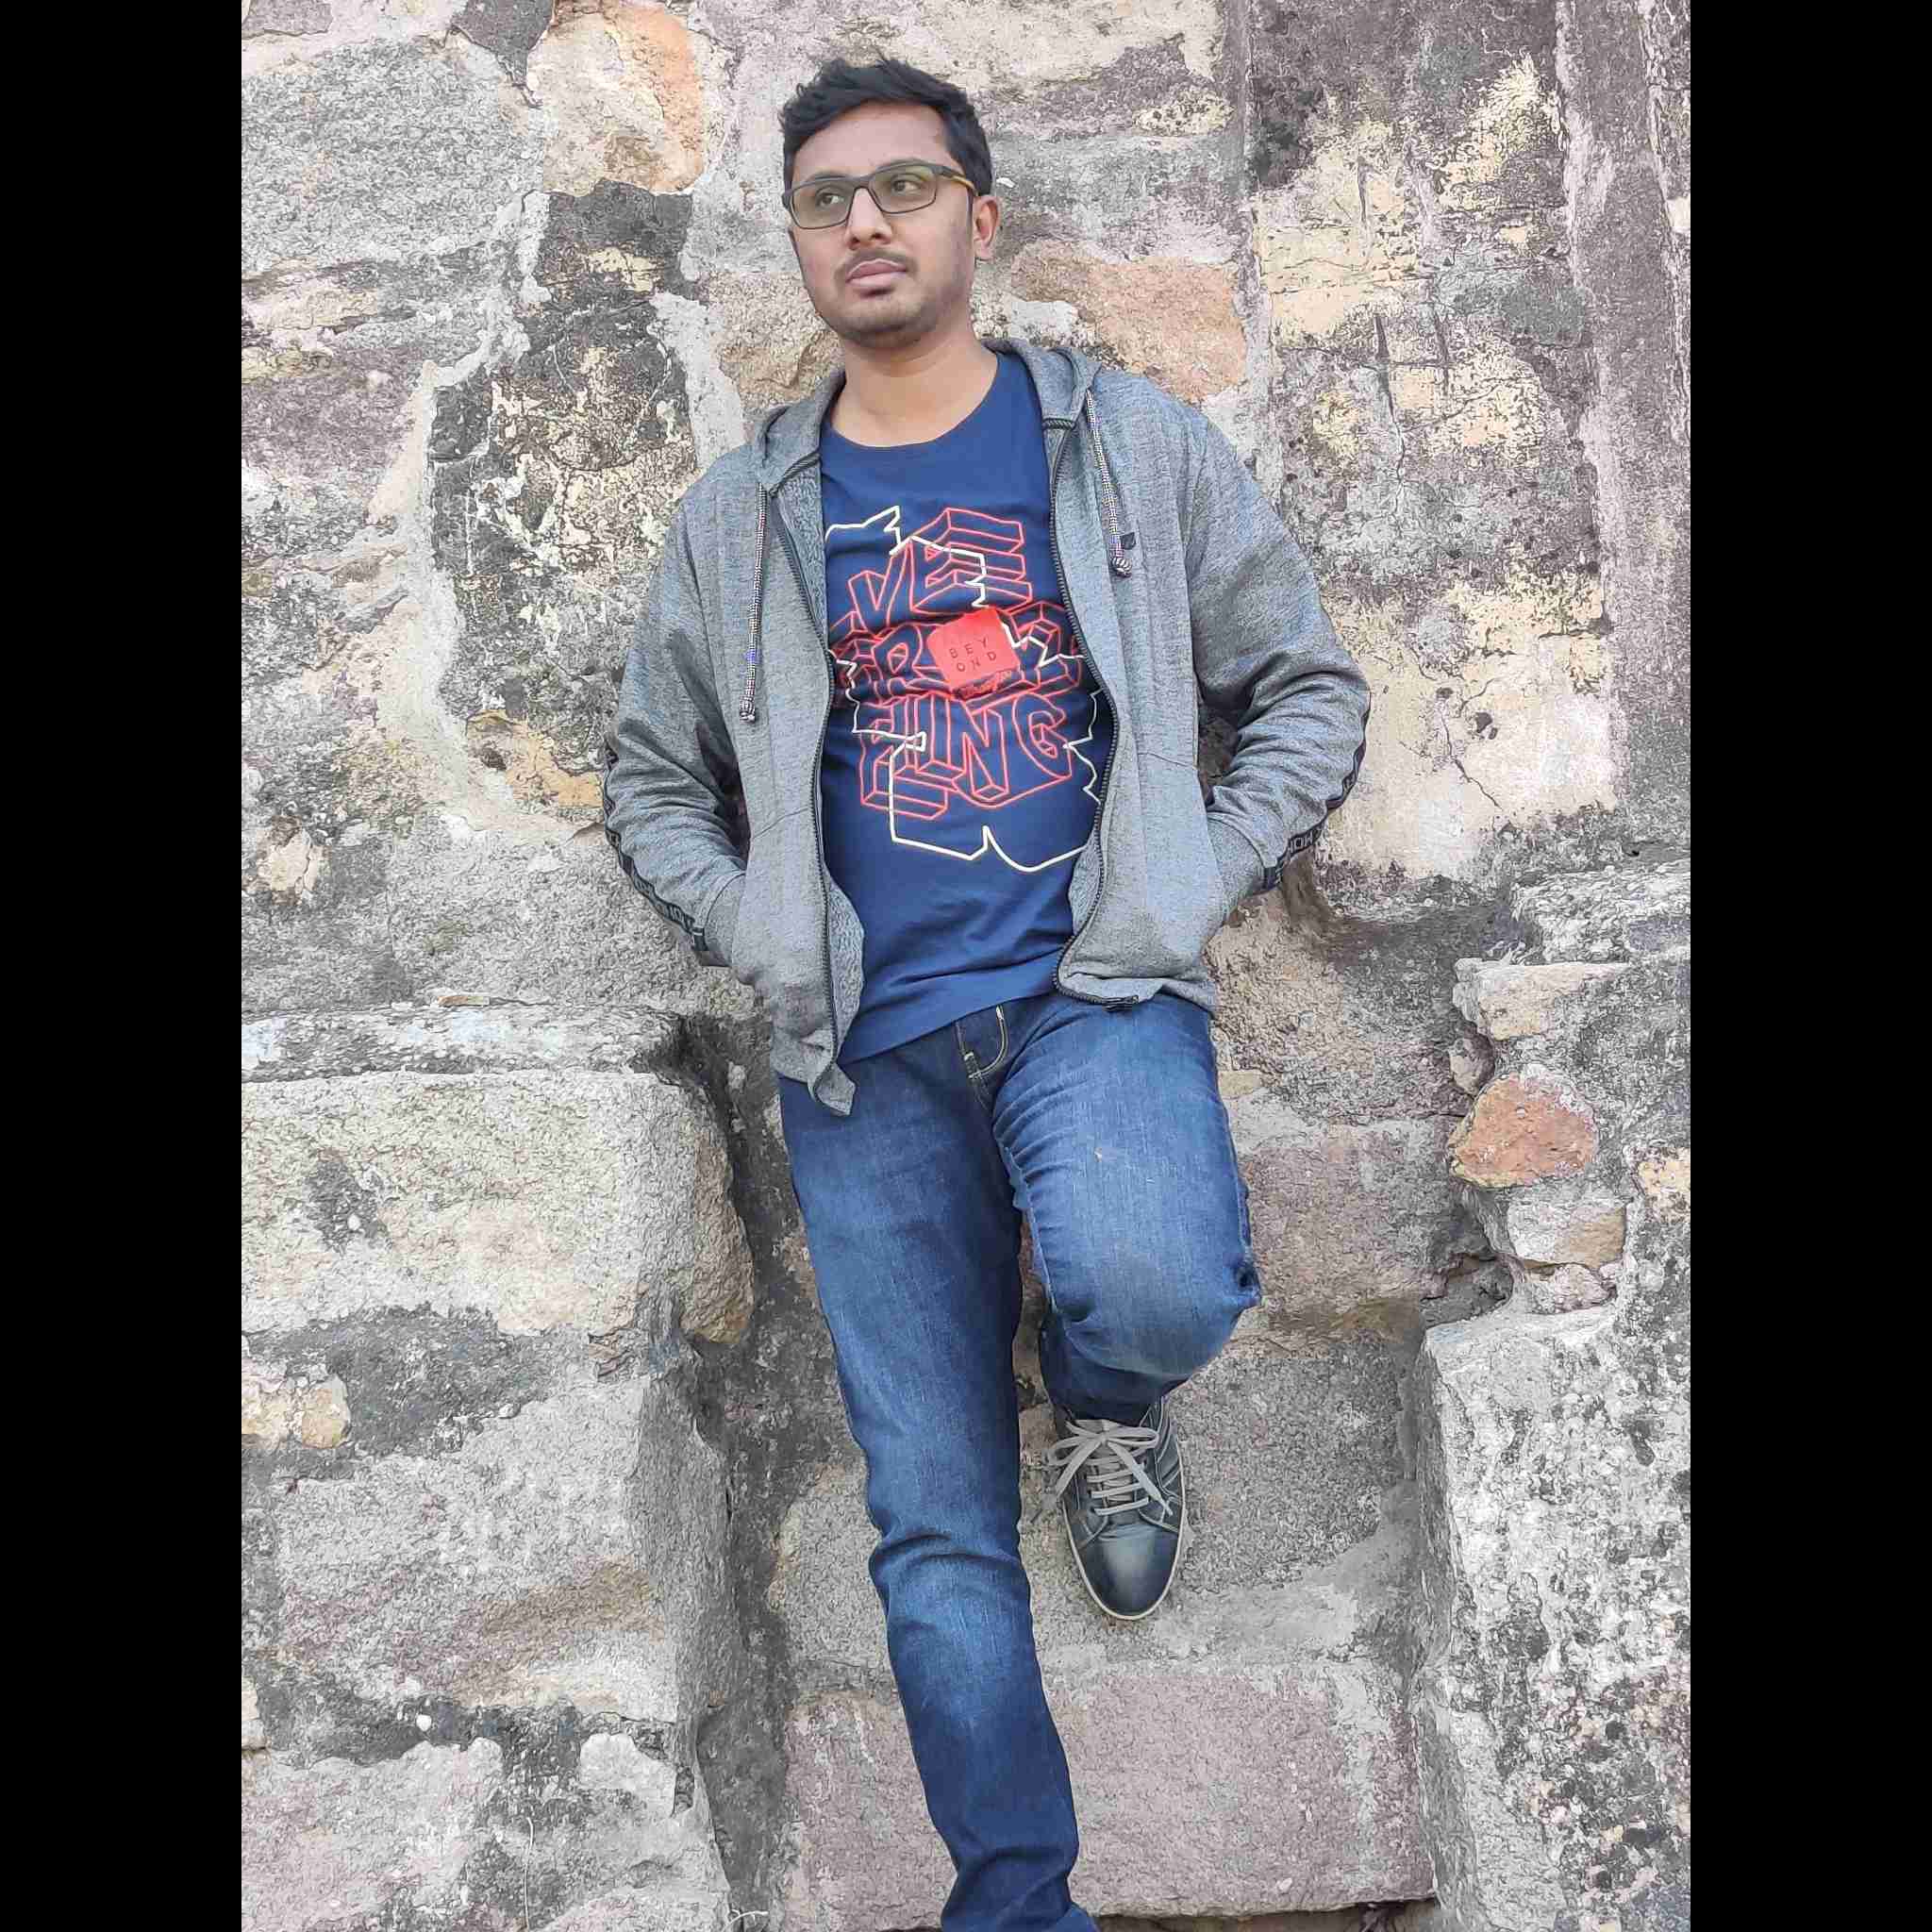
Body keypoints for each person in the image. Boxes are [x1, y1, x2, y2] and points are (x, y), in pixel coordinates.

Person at [603, 54, 1371, 1932]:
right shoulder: (738, 518)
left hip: (1092, 994)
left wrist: (1184, 876)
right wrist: (761, 929)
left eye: (905, 187)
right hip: (860, 1062)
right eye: (826, 199)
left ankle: (1103, 1392)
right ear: (798, 243)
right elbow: (649, 783)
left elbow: (1306, 689)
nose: (865, 222)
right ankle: (1015, 1903)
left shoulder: (1125, 448)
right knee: (934, 1527)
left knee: (1161, 1283)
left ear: (979, 216)